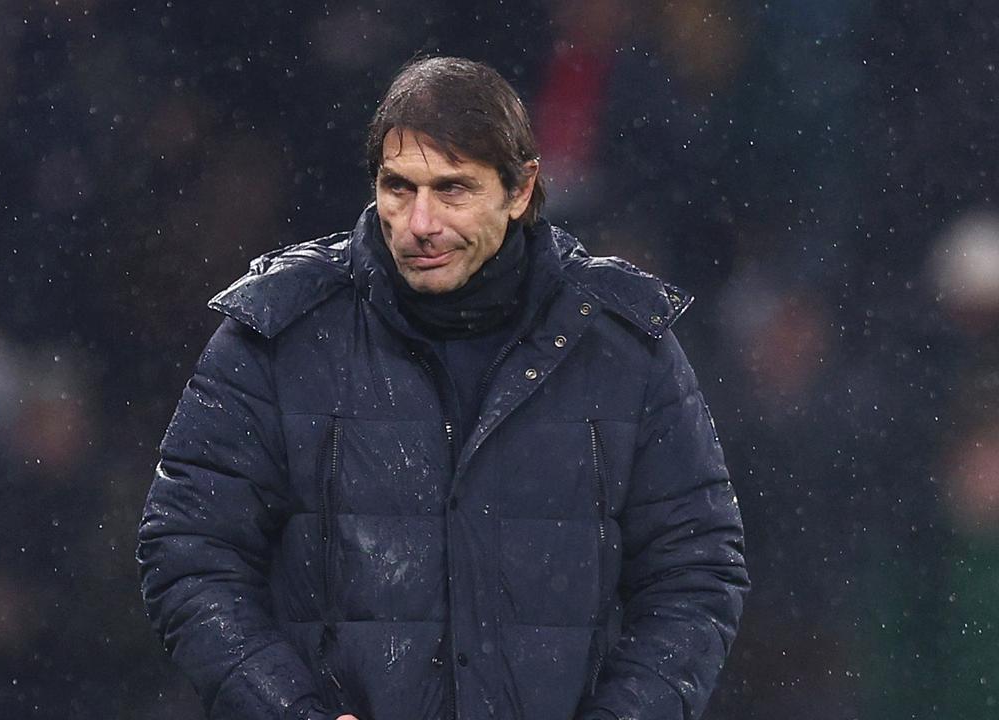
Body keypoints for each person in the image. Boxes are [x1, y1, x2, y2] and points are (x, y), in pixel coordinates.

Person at [137, 56, 748, 720]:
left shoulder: (625, 348)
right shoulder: (277, 337)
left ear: (520, 190)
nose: (419, 223)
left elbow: (696, 574)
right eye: (398, 187)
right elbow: (188, 552)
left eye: (452, 189)